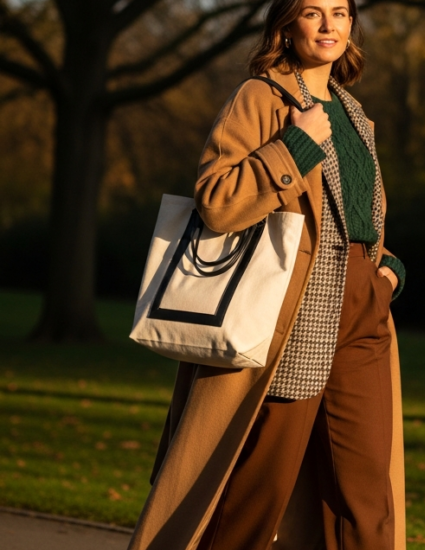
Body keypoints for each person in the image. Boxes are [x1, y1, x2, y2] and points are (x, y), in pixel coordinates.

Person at [127, 0, 407, 549]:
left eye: (341, 12)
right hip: (291, 315)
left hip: (364, 312)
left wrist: (387, 270)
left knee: (367, 496)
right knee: (258, 488)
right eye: (312, 12)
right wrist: (295, 143)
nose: (329, 25)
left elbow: (357, 215)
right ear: (285, 26)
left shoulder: (354, 112)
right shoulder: (259, 98)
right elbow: (217, 203)